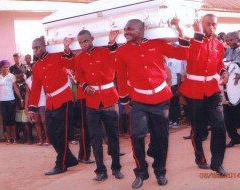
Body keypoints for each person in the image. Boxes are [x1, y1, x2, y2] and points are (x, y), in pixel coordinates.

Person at [116, 19, 189, 189]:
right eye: (125, 29)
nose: (126, 32)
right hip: (139, 100)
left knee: (161, 137)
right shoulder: (122, 51)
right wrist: (125, 101)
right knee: (136, 136)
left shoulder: (158, 44)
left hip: (160, 99)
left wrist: (181, 31)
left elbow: (184, 55)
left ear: (141, 30)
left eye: (130, 29)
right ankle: (141, 171)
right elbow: (120, 77)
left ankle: (160, 171)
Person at [178, 14, 228, 176]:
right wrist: (195, 32)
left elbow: (219, 63)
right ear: (201, 24)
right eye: (208, 24)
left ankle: (217, 163)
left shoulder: (219, 44)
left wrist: (223, 72)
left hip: (212, 89)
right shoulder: (191, 41)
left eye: (214, 25)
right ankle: (199, 157)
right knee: (198, 130)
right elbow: (192, 55)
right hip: (194, 90)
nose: (212, 27)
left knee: (219, 125)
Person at [73, 30, 124, 181]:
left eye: (85, 41)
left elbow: (116, 61)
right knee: (95, 137)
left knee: (113, 136)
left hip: (109, 99)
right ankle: (101, 170)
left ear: (92, 39)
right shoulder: (79, 58)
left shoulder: (105, 52)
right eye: (80, 42)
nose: (83, 45)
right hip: (92, 101)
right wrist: (85, 86)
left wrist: (112, 42)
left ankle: (116, 168)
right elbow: (79, 77)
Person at [27, 37, 78, 176]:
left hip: (63, 99)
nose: (35, 50)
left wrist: (67, 49)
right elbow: (36, 88)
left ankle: (60, 164)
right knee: (51, 134)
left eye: (37, 47)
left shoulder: (57, 56)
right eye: (33, 48)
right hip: (50, 102)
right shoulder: (36, 66)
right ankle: (70, 159)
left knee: (61, 135)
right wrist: (32, 109)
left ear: (44, 46)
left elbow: (71, 64)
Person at [0, 60, 22, 144]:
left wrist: (21, 98)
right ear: (1, 68)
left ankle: (14, 138)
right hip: (2, 101)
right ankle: (8, 138)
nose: (6, 68)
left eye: (7, 67)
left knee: (12, 120)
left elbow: (15, 88)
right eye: (4, 67)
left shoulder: (12, 76)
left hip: (11, 100)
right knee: (5, 120)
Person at [25, 73, 49, 146]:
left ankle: (47, 139)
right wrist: (26, 105)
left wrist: (47, 101)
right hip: (33, 104)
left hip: (42, 102)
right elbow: (27, 93)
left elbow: (47, 90)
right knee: (37, 122)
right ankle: (40, 139)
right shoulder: (28, 80)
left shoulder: (42, 77)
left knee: (44, 121)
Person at [14, 70, 32, 144]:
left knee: (26, 123)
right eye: (17, 75)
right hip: (18, 105)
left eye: (20, 75)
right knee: (21, 123)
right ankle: (24, 138)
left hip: (25, 105)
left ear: (23, 75)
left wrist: (25, 104)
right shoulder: (15, 84)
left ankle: (29, 139)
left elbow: (28, 94)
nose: (18, 76)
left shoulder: (26, 83)